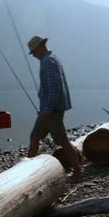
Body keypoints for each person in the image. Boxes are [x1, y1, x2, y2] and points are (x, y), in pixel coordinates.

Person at [27, 35, 82, 182]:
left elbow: (54, 88)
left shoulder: (48, 61)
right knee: (34, 137)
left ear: (40, 47)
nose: (33, 55)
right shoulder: (51, 59)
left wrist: (47, 110)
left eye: (33, 52)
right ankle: (27, 174)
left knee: (63, 141)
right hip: (48, 110)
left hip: (52, 111)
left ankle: (77, 173)